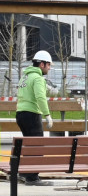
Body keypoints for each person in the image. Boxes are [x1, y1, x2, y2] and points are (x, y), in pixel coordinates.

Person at [15, 50, 54, 184]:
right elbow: (40, 98)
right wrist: (47, 115)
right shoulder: (37, 78)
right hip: (32, 115)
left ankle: (25, 173)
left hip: (20, 114)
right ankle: (32, 177)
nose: (49, 68)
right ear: (42, 64)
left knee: (28, 146)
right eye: (48, 65)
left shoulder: (24, 77)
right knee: (37, 147)